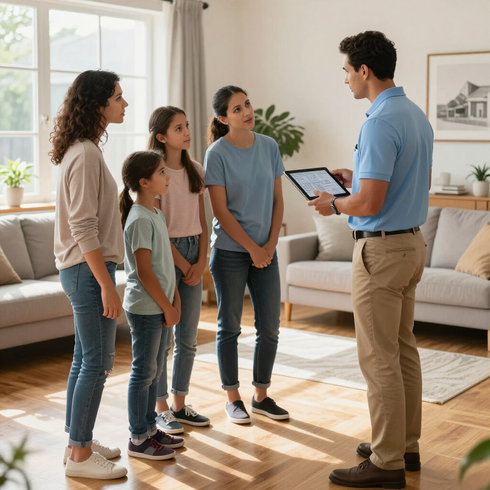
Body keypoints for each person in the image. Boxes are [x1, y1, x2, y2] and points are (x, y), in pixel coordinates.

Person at [309, 31, 433, 489]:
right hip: (411, 245)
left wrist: (333, 203)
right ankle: (405, 444)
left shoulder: (380, 121)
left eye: (346, 70)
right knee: (401, 350)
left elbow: (370, 202)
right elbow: (392, 182)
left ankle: (386, 462)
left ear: (364, 70)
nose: (344, 79)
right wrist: (353, 175)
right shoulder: (414, 115)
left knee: (378, 357)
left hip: (380, 250)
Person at [50, 70, 128, 480]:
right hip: (87, 271)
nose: (124, 103)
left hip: (84, 269)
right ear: (98, 104)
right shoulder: (84, 154)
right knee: (97, 362)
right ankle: (80, 457)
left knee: (85, 359)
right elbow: (83, 228)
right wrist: (106, 284)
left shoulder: (83, 150)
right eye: (117, 97)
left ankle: (76, 442)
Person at [204, 85, 289, 424]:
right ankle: (233, 397)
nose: (247, 111)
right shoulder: (217, 153)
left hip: (265, 250)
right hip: (229, 251)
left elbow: (279, 200)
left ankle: (261, 395)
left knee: (270, 326)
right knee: (230, 326)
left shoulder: (269, 146)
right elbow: (221, 211)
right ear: (223, 118)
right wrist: (253, 248)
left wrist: (269, 245)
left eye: (248, 104)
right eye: (237, 109)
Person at [148, 106, 210, 434]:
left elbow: (203, 221)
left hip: (194, 250)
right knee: (164, 338)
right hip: (167, 255)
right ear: (161, 137)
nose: (187, 132)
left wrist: (201, 261)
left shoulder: (195, 169)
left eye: (186, 126)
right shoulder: (157, 174)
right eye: (178, 128)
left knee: (188, 338)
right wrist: (184, 263)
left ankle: (180, 405)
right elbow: (157, 230)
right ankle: (160, 408)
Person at [120, 150, 185, 460]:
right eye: (161, 172)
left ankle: (148, 428)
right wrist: (167, 306)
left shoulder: (155, 214)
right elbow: (144, 273)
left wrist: (175, 298)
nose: (167, 176)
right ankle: (137, 437)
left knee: (155, 369)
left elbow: (162, 265)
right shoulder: (137, 219)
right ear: (144, 182)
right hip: (146, 308)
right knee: (144, 372)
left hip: (160, 305)